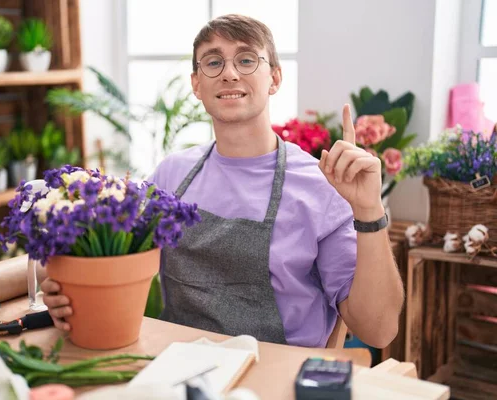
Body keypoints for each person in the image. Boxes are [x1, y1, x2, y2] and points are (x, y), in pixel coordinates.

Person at [43, 14, 404, 349]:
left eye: (247, 60)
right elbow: (109, 260)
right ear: (197, 84)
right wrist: (65, 288)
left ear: (274, 78)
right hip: (177, 365)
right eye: (214, 62)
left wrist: (368, 209)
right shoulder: (171, 175)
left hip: (275, 376)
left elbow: (378, 329)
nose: (229, 73)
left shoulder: (321, 187)